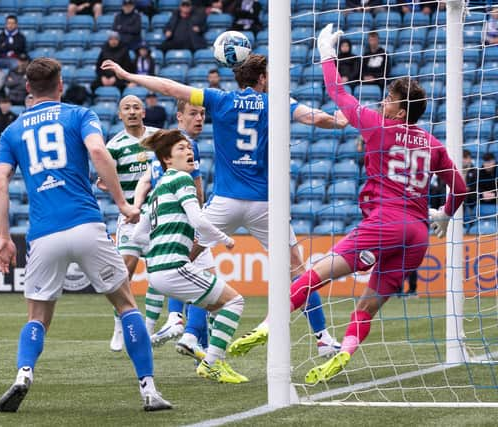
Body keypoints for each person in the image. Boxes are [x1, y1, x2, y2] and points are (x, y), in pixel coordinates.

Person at [100, 53, 348, 359]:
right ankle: (323, 339)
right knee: (297, 270)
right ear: (262, 79)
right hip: (264, 203)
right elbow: (314, 117)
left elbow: (169, 87)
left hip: (226, 201)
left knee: (183, 257)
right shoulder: (277, 101)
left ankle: (179, 320)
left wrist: (129, 74)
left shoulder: (218, 99)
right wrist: (340, 121)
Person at [0, 57, 170, 413]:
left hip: (44, 233)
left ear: (28, 88)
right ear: (60, 84)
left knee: (37, 316)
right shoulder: (78, 114)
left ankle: (23, 374)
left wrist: (3, 238)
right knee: (124, 303)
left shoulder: (12, 131)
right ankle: (148, 389)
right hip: (86, 224)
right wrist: (121, 202)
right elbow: (98, 151)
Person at [293, 24, 466, 384]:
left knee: (314, 275)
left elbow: (338, 93)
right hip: (418, 235)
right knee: (368, 305)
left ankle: (270, 327)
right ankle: (344, 353)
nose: (382, 102)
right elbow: (461, 188)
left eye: (389, 99)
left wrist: (328, 54)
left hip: (385, 222)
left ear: (401, 112)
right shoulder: (432, 143)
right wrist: (445, 215)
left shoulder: (378, 126)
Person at [132, 128, 247, 383]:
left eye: (188, 147)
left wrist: (157, 251)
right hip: (175, 268)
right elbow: (198, 219)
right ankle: (211, 363)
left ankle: (202, 349)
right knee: (235, 302)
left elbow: (138, 237)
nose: (189, 151)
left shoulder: (158, 190)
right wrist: (226, 239)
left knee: (218, 306)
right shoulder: (182, 180)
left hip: (157, 274)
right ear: (167, 159)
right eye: (181, 148)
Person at [133, 100, 211, 359]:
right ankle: (185, 329)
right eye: (193, 114)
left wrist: (136, 206)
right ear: (180, 117)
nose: (199, 118)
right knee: (206, 281)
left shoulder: (164, 148)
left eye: (202, 113)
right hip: (182, 222)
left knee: (188, 275)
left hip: (160, 223)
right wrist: (197, 219)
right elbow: (196, 186)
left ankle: (193, 336)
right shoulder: (186, 147)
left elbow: (146, 182)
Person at [103, 94, 159, 352]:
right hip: (130, 216)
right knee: (125, 270)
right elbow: (105, 179)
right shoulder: (113, 145)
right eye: (127, 108)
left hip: (160, 213)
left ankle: (149, 326)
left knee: (160, 271)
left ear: (144, 112)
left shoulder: (159, 137)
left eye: (137, 107)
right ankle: (119, 323)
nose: (132, 111)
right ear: (120, 115)